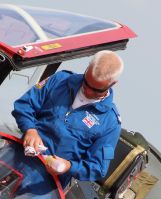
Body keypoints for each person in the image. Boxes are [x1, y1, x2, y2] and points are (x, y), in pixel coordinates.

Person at [12, 50, 124, 186]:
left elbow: (98, 168)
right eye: (86, 83)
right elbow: (24, 105)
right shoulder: (60, 80)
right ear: (87, 68)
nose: (88, 91)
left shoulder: (110, 122)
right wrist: (30, 129)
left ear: (113, 84)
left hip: (43, 187)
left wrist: (68, 166)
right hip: (15, 159)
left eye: (96, 90)